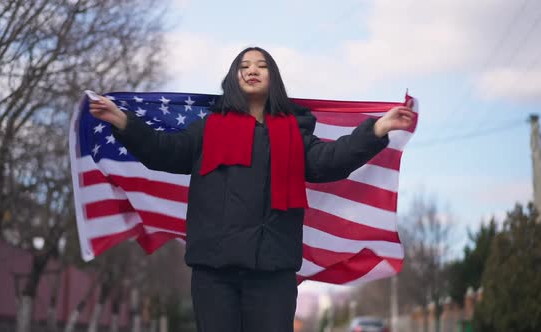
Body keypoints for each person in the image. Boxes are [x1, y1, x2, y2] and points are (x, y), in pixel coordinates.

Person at [88, 46, 415, 332]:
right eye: (244, 66)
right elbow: (165, 151)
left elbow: (329, 161)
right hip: (214, 271)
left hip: (272, 271)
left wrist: (376, 129)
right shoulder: (209, 127)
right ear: (234, 78)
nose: (252, 70)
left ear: (273, 77)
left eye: (261, 65)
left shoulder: (293, 130)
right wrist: (124, 122)